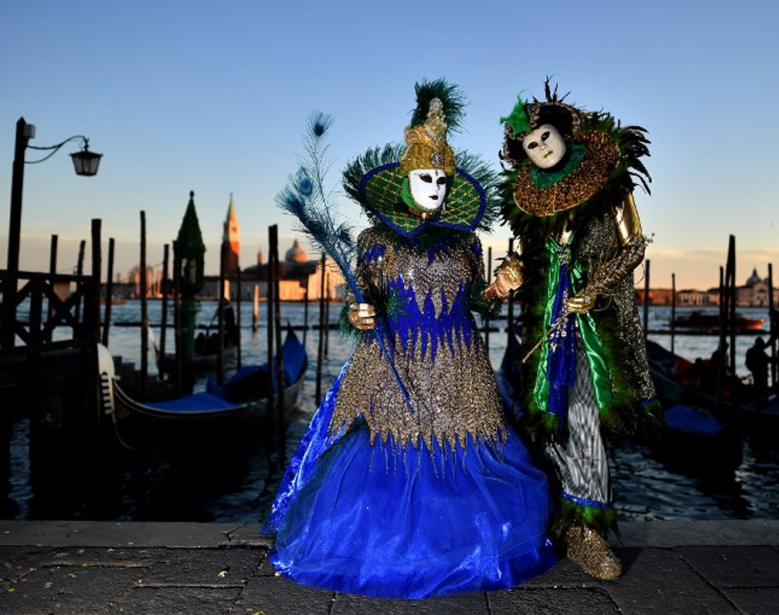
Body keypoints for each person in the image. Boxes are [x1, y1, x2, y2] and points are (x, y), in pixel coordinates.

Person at [263, 81, 556, 599]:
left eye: (443, 181)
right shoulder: (374, 242)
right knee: (383, 457)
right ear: (404, 180)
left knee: (476, 456)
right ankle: (385, 551)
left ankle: (469, 547)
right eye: (426, 178)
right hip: (393, 363)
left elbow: (476, 304)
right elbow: (360, 309)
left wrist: (499, 288)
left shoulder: (465, 241)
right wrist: (357, 314)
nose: (435, 189)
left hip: (460, 366)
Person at [496, 80, 661, 579]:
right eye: (530, 146)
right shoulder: (530, 203)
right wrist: (509, 274)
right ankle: (565, 516)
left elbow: (636, 247)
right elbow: (525, 260)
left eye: (544, 135)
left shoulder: (610, 182)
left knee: (585, 417)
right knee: (543, 422)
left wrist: (597, 286)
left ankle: (589, 527)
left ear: (561, 131)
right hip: (547, 327)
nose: (541, 147)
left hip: (592, 327)